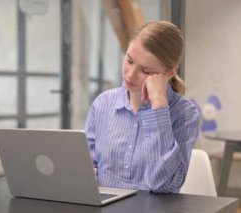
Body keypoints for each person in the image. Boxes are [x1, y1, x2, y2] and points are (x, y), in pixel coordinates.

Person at [84, 21, 200, 193]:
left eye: (145, 71)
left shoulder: (185, 114)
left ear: (169, 73)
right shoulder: (103, 103)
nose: (130, 74)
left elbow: (164, 185)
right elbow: (86, 164)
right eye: (129, 60)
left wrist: (159, 105)